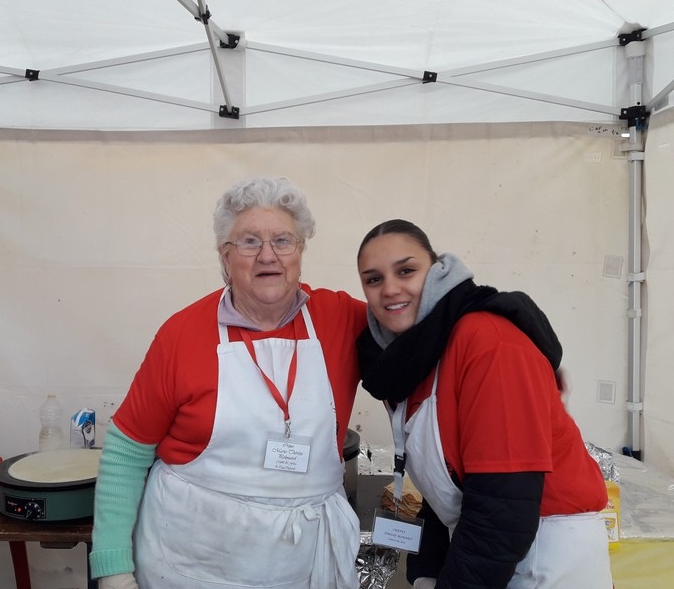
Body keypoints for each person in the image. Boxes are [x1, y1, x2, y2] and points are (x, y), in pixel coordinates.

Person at [89, 177, 368, 589]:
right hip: (192, 565)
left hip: (304, 564)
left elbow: (416, 320)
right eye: (250, 241)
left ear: (301, 250)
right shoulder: (181, 334)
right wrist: (113, 568)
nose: (268, 255)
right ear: (225, 255)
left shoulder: (342, 319)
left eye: (283, 240)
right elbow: (127, 452)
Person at [355, 219, 613, 589]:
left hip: (546, 556)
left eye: (406, 270)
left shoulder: (489, 344)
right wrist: (426, 570)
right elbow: (446, 483)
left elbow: (503, 511)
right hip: (487, 547)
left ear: (438, 269)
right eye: (373, 279)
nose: (390, 289)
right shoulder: (414, 358)